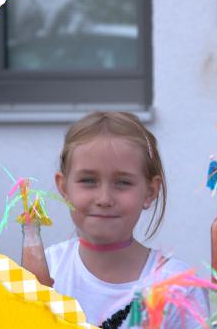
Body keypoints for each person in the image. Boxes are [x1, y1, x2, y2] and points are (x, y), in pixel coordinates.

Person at [46, 111, 207, 328]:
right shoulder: (47, 270)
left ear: (150, 192)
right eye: (88, 180)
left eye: (122, 183)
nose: (104, 199)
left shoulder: (177, 286)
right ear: (64, 188)